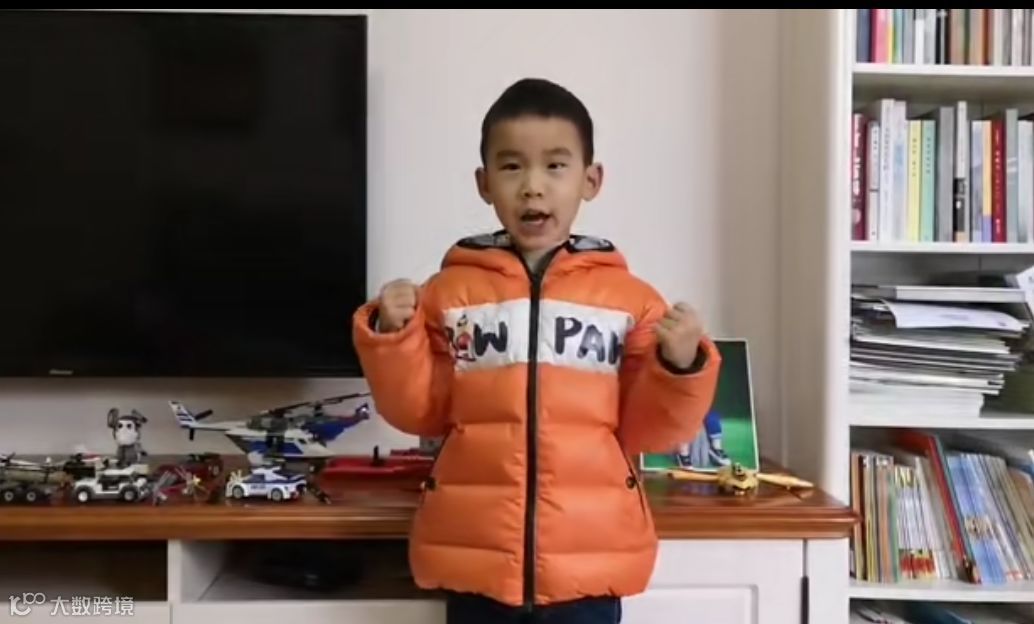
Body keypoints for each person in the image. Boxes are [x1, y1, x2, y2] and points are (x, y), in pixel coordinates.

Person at [352, 77, 722, 623]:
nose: (532, 187)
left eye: (555, 166)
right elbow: (418, 412)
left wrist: (679, 365)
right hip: (476, 564)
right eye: (511, 167)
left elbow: (651, 431)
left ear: (590, 180)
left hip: (589, 571)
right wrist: (394, 334)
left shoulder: (631, 301)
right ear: (484, 183)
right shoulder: (448, 295)